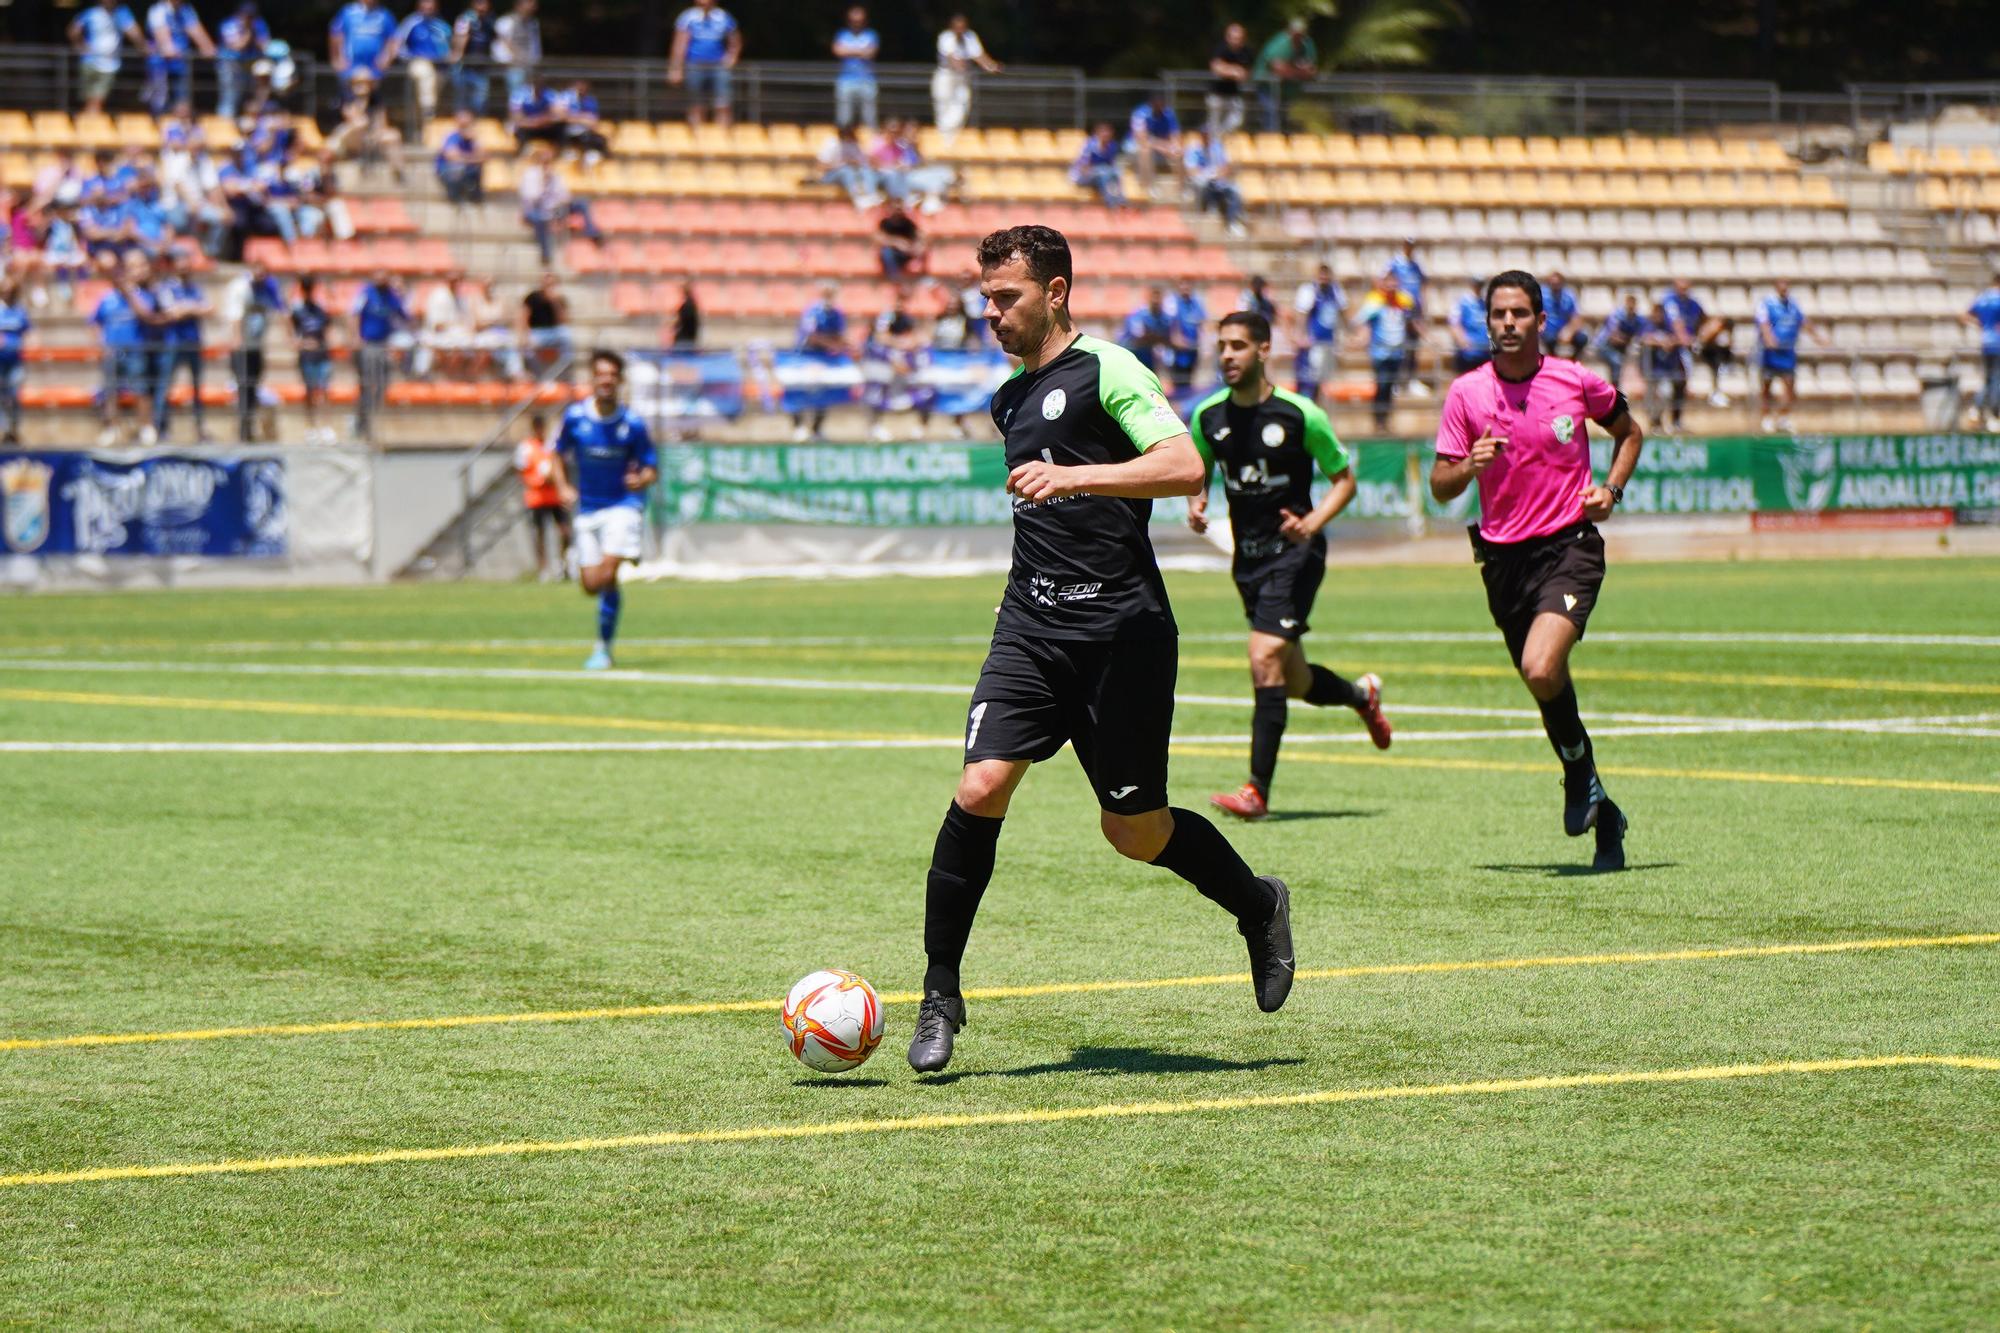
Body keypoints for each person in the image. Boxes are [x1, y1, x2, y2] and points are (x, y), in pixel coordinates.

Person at [906, 224, 1294, 1075]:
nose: (990, 313)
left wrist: (1074, 474)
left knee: (1134, 829)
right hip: (1031, 628)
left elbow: (1185, 464)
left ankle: (1257, 903)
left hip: (1123, 634)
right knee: (980, 785)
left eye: (1004, 297)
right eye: (984, 298)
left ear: (1055, 291)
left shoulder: (1109, 369)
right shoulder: (1009, 399)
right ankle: (940, 993)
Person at [1429, 270, 1645, 872]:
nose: (1506, 323)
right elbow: (1440, 486)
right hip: (1502, 563)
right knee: (1543, 683)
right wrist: (1468, 465)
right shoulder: (1467, 394)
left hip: (1569, 548)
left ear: (1540, 321)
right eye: (1497, 313)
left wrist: (1612, 490)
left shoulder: (1574, 382)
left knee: (1541, 664)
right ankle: (1602, 806)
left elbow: (1630, 432)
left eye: (1518, 313)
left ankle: (1579, 774)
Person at [1187, 310, 1391, 820]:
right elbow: (1198, 467)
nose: (1227, 355)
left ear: (1263, 350)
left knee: (1263, 657)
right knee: (1293, 679)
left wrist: (1313, 520)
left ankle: (1257, 791)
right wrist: (1196, 499)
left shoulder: (1301, 415)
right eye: (1222, 345)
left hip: (1296, 554)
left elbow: (1344, 480)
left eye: (1237, 345)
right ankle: (1361, 696)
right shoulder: (1208, 416)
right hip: (1248, 560)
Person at [549, 349, 658, 670]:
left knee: (608, 574)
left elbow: (651, 467)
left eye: (612, 375)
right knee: (590, 585)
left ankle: (603, 649)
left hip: (623, 506)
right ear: (592, 380)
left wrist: (641, 480)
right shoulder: (575, 418)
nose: (606, 380)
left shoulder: (632, 424)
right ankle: (621, 554)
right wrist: (563, 486)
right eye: (601, 374)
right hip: (589, 510)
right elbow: (557, 454)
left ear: (620, 381)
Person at [92, 251, 158, 446]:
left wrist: (128, 292)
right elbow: (95, 322)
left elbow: (145, 313)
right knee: (110, 392)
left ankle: (146, 427)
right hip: (112, 351)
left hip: (135, 350)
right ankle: (112, 428)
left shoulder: (143, 294)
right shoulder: (107, 298)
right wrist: (101, 343)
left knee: (140, 390)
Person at [150, 246, 211, 443]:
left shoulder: (195, 288)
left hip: (193, 342)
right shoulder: (166, 287)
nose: (185, 268)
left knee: (197, 388)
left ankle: (200, 428)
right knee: (165, 386)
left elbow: (209, 309)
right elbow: (171, 312)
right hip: (173, 343)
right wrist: (193, 308)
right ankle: (160, 428)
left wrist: (186, 308)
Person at [223, 257, 283, 443]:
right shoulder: (241, 287)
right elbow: (235, 315)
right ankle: (243, 430)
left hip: (256, 346)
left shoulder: (267, 287)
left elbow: (281, 308)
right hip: (242, 348)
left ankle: (249, 428)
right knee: (243, 388)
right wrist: (238, 340)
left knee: (253, 388)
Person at [519, 142, 603, 267]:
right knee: (540, 220)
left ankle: (592, 232)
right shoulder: (530, 175)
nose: (547, 163)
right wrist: (543, 183)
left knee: (582, 204)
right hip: (536, 210)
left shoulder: (556, 176)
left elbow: (565, 195)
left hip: (556, 208)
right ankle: (546, 253)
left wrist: (561, 201)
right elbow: (531, 197)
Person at [350, 269, 410, 440]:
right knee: (367, 384)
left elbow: (404, 316)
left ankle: (369, 417)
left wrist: (402, 295)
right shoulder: (366, 293)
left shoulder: (391, 296)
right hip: (368, 345)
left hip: (384, 345)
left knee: (383, 383)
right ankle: (362, 422)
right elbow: (354, 314)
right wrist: (356, 337)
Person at [1354, 272, 1417, 432]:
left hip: (1397, 352)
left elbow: (1412, 321)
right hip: (1380, 352)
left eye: (1394, 282)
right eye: (1388, 282)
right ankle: (1379, 419)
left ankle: (1386, 419)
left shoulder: (1403, 301)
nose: (1391, 286)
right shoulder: (1375, 302)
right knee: (1381, 385)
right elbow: (1359, 319)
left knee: (1390, 387)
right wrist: (1361, 337)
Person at [1756, 280, 1820, 433]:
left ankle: (1783, 418)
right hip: (1770, 352)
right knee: (1767, 385)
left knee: (1790, 385)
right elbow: (1763, 323)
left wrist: (1817, 337)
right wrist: (1769, 339)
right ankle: (1766, 418)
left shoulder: (1793, 304)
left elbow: (1802, 321)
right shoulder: (1767, 303)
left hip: (1787, 351)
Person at [515, 412, 571, 581]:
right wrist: (539, 480)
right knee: (539, 534)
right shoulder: (526, 447)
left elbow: (560, 466)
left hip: (554, 497)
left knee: (564, 532)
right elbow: (521, 472)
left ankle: (563, 566)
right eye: (537, 427)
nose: (540, 430)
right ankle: (543, 569)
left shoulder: (551, 446)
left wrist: (556, 479)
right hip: (536, 497)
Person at [932, 14, 1000, 147]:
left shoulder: (970, 36)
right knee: (943, 104)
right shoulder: (945, 37)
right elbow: (952, 58)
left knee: (962, 104)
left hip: (963, 77)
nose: (960, 30)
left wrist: (991, 65)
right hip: (946, 75)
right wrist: (961, 67)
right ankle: (943, 138)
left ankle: (952, 135)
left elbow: (978, 55)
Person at [669, 0, 741, 127]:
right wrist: (676, 68)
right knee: (696, 104)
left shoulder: (723, 16)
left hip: (718, 66)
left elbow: (735, 39)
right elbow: (679, 43)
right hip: (694, 64)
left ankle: (723, 135)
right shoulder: (688, 17)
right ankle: (697, 136)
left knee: (723, 103)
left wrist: (732, 57)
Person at [791, 282, 848, 441]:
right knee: (800, 389)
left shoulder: (837, 313)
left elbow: (840, 334)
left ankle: (816, 428)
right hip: (805, 355)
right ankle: (799, 426)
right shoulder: (812, 311)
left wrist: (844, 345)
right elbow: (811, 336)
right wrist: (832, 344)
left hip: (825, 357)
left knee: (825, 391)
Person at [70, 0, 145, 117]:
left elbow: (134, 32)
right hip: (89, 61)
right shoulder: (91, 13)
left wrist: (142, 47)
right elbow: (73, 30)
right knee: (89, 100)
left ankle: (89, 123)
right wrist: (80, 47)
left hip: (109, 64)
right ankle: (89, 124)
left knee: (97, 100)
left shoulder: (122, 13)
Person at [144, 1, 215, 118]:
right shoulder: (158, 10)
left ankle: (180, 126)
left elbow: (196, 30)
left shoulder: (186, 10)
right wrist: (168, 48)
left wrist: (208, 48)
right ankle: (160, 122)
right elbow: (163, 38)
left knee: (183, 99)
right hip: (160, 66)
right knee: (159, 101)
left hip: (181, 64)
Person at [290, 274, 336, 443]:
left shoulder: (321, 310)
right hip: (307, 358)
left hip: (322, 357)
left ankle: (326, 428)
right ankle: (311, 428)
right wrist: (304, 344)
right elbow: (292, 339)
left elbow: (329, 332)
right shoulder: (297, 312)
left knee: (324, 392)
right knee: (309, 393)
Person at [393, 0, 454, 125]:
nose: (428, 6)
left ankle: (425, 126)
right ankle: (429, 118)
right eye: (425, 3)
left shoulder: (442, 25)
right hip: (418, 62)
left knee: (433, 96)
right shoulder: (411, 22)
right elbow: (398, 44)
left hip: (439, 65)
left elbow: (450, 46)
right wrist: (408, 57)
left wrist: (449, 57)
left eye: (431, 4)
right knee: (427, 76)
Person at [1292, 263, 1345, 404]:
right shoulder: (1309, 290)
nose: (1324, 278)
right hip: (1313, 343)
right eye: (1321, 274)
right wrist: (1301, 335)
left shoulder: (1335, 291)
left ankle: (1316, 407)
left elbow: (1342, 313)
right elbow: (1302, 314)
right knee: (1309, 379)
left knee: (1322, 380)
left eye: (1326, 274)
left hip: (1328, 342)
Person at [1253, 18, 1317, 131]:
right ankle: (1270, 143)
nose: (1298, 37)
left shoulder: (1307, 45)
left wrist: (1291, 71)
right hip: (1269, 89)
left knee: (1283, 121)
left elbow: (1312, 71)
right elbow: (1279, 70)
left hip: (1288, 91)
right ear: (1289, 32)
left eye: (1301, 34)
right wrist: (1299, 72)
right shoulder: (1279, 44)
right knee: (1271, 118)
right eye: (1295, 33)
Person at [329, 0, 398, 97]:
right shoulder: (348, 12)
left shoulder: (384, 15)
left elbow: (393, 39)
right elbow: (336, 34)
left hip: (375, 66)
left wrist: (387, 58)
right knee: (350, 101)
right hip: (351, 64)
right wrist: (336, 57)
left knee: (373, 101)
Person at [1183, 130, 1245, 236]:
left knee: (1234, 190)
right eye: (1205, 135)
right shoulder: (1194, 149)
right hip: (1202, 182)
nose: (1207, 138)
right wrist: (1207, 174)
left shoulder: (1217, 147)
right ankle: (1209, 209)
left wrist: (1216, 174)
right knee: (1204, 184)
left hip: (1218, 182)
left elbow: (1225, 167)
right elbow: (1191, 170)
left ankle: (1233, 222)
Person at [217, 4, 270, 119]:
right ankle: (226, 120)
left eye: (251, 16)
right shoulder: (229, 24)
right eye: (246, 16)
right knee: (230, 94)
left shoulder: (259, 24)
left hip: (250, 64)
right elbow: (237, 46)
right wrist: (249, 33)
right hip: (231, 64)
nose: (249, 19)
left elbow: (265, 46)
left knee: (252, 94)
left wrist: (253, 34)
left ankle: (250, 122)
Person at [1962, 272, 2000, 432]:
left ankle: (1976, 409)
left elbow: (1964, 316)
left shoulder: (1983, 297)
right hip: (1998, 343)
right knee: (1997, 379)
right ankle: (1994, 415)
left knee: (1990, 379)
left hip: (1985, 342)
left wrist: (1983, 326)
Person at [1125, 93, 1182, 198]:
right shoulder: (1140, 113)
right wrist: (1162, 147)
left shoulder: (1168, 114)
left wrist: (1173, 147)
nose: (1159, 106)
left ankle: (1180, 188)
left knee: (1178, 151)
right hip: (1134, 145)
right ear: (1151, 103)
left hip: (1160, 146)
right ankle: (1149, 186)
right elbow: (1142, 139)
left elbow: (1175, 136)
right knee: (1145, 151)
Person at [1641, 300, 1686, 432]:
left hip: (1665, 370)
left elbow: (1681, 338)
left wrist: (1671, 341)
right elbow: (1644, 339)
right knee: (1650, 399)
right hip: (1651, 369)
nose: (1658, 317)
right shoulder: (1648, 325)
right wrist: (1661, 343)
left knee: (1665, 394)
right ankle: (1654, 423)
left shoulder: (1668, 326)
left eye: (1660, 314)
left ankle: (1658, 421)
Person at [832, 7, 879, 130]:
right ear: (849, 21)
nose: (857, 23)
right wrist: (860, 51)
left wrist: (849, 50)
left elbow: (871, 53)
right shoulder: (842, 34)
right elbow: (838, 51)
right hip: (846, 80)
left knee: (869, 116)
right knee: (844, 116)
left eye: (860, 21)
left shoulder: (871, 35)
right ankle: (844, 140)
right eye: (854, 21)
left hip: (867, 79)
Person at [815, 125, 881, 210]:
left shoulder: (854, 144)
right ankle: (859, 199)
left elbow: (863, 162)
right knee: (846, 171)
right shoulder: (832, 144)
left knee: (866, 170)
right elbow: (820, 166)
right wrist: (840, 165)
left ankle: (871, 194)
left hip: (853, 173)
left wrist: (855, 163)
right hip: (830, 176)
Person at [1207, 23, 1255, 139]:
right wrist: (1234, 71)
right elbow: (1216, 68)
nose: (1237, 41)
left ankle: (1219, 137)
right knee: (1214, 123)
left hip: (1233, 94)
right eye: (1234, 38)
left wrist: (1237, 72)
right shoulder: (1221, 49)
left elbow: (1247, 72)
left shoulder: (1246, 51)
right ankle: (1214, 146)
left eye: (1240, 38)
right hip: (1217, 94)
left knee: (1237, 121)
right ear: (1228, 37)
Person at [449, 0, 496, 115]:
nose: (482, 6)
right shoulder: (465, 19)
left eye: (485, 3)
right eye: (479, 3)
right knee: (462, 100)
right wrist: (458, 53)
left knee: (480, 101)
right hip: (464, 67)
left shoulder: (489, 21)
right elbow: (460, 37)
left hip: (482, 68)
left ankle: (477, 127)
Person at [521, 270, 572, 376]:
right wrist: (525, 335)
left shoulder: (559, 299)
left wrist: (554, 302)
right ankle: (536, 375)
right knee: (528, 348)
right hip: (537, 332)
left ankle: (561, 372)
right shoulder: (532, 297)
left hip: (554, 332)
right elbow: (524, 317)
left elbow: (563, 321)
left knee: (567, 335)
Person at [1119, 286, 1175, 380]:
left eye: (1158, 297)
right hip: (1131, 354)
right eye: (1153, 297)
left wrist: (1154, 337)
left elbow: (1167, 339)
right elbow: (1139, 338)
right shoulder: (1137, 315)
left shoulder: (1165, 318)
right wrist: (1157, 338)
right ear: (1148, 299)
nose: (1156, 301)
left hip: (1149, 355)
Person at [492, 0, 541, 100]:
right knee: (516, 95)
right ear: (519, 5)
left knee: (528, 95)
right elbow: (502, 43)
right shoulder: (505, 21)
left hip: (529, 66)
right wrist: (514, 59)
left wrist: (535, 60)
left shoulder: (533, 23)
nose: (533, 7)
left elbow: (534, 44)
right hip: (512, 66)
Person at [1070, 124, 1127, 210]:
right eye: (1103, 132)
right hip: (1081, 177)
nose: (1106, 134)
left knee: (1115, 173)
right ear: (1097, 133)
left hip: (1101, 178)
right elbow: (1083, 168)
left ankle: (1121, 201)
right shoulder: (1089, 145)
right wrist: (1100, 170)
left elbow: (1112, 165)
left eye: (1108, 132)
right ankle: (1112, 205)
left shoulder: (1112, 146)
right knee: (1103, 173)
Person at [436, 108, 486, 205]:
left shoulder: (474, 139)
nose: (466, 127)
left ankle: (474, 197)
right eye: (463, 125)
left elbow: (483, 157)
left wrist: (474, 142)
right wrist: (473, 158)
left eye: (468, 124)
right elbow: (452, 157)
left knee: (476, 169)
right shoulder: (451, 136)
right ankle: (456, 197)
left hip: (467, 171)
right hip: (448, 171)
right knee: (458, 168)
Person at [0, 280, 30, 444]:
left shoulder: (20, 311)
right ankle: (5, 430)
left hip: (15, 361)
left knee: (14, 396)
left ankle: (14, 428)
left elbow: (28, 332)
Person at [1592, 292, 1643, 389]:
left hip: (1618, 348)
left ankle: (1614, 390)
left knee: (1619, 360)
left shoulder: (1636, 319)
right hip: (1603, 345)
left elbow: (1640, 334)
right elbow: (1613, 337)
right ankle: (1615, 390)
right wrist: (1626, 339)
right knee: (1617, 361)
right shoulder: (1617, 315)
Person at [552, 80, 611, 161]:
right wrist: (581, 118)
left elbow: (593, 121)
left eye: (583, 89)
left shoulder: (591, 101)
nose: (580, 91)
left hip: (584, 133)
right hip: (566, 134)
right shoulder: (565, 99)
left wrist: (571, 116)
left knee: (599, 141)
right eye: (578, 89)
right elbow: (559, 115)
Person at [1165, 280, 1206, 394]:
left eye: (1187, 288)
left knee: (1189, 381)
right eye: (1183, 287)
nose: (1185, 290)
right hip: (1177, 353)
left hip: (1192, 351)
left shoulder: (1196, 304)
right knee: (1177, 381)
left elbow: (1202, 322)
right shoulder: (1173, 303)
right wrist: (1176, 340)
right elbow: (1171, 325)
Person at [508, 75, 564, 150]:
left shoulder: (550, 94)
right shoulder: (519, 95)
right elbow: (516, 116)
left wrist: (542, 120)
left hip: (545, 125)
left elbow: (558, 114)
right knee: (518, 130)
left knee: (560, 127)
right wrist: (531, 122)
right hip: (527, 126)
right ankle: (521, 153)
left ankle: (559, 152)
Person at [1451, 276, 1491, 376]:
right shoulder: (1462, 303)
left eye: (1481, 285)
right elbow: (1455, 323)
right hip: (1468, 353)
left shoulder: (1486, 304)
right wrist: (1461, 340)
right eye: (1477, 284)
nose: (1479, 287)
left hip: (1484, 351)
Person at [876, 200, 925, 281]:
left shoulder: (908, 223)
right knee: (887, 252)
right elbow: (878, 237)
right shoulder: (884, 223)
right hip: (893, 253)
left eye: (899, 208)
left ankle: (919, 275)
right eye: (895, 208)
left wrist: (917, 245)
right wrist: (896, 242)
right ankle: (894, 278)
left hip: (908, 251)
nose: (897, 211)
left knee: (922, 251)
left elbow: (920, 236)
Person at [1541, 270, 1585, 359]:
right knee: (1549, 339)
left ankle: (1573, 360)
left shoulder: (1569, 296)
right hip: (1547, 330)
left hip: (1564, 330)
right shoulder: (1542, 295)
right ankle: (1553, 360)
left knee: (1582, 338)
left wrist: (1569, 331)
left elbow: (1576, 316)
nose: (1555, 285)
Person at [669, 283, 701, 348]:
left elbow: (683, 320)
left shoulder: (688, 305)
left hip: (685, 338)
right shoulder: (691, 304)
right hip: (688, 337)